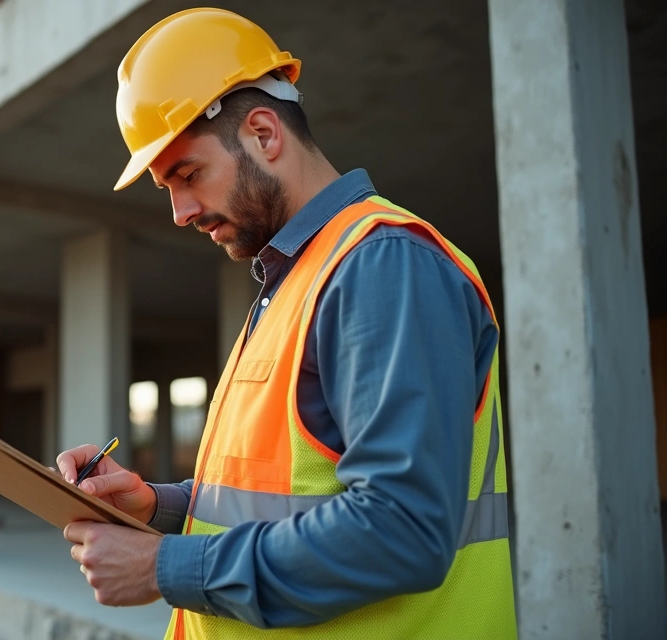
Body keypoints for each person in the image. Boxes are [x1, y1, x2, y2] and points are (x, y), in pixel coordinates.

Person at [56, 7, 517, 639]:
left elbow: (403, 529)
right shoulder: (299, 280)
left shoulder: (381, 265)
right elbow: (286, 492)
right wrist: (158, 505)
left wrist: (166, 567)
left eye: (188, 176)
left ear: (264, 134)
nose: (180, 212)